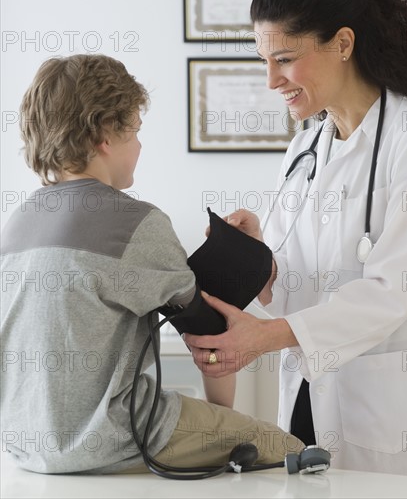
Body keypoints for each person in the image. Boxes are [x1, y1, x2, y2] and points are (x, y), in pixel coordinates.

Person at [184, 0, 407, 482]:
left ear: (343, 43)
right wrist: (260, 256)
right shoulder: (304, 149)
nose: (271, 80)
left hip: (386, 416)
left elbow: (392, 287)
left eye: (285, 58)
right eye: (264, 61)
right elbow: (295, 277)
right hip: (307, 398)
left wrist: (267, 336)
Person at [0, 54, 303, 474]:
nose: (139, 146)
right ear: (105, 134)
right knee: (286, 445)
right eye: (135, 132)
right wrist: (226, 421)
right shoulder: (133, 222)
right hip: (112, 436)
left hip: (25, 446)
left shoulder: (17, 223)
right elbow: (211, 334)